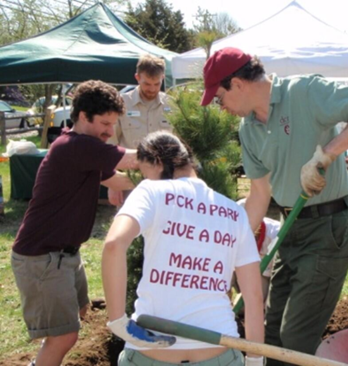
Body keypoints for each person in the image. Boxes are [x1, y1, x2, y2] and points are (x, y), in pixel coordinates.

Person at [200, 47, 348, 360]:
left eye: (219, 98)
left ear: (236, 84)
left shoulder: (303, 92)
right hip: (288, 231)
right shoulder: (248, 130)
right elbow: (259, 197)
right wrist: (230, 250)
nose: (222, 108)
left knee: (295, 338)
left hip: (329, 229)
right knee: (272, 332)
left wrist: (327, 154)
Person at [102, 131, 265, 366]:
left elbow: (114, 244)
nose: (143, 178)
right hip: (217, 354)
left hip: (150, 356)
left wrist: (118, 321)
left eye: (143, 171)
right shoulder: (234, 212)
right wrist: (255, 359)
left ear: (157, 161)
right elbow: (253, 296)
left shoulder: (151, 191)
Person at [11, 80, 140, 366]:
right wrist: (175, 160)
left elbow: (116, 178)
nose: (110, 131)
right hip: (42, 257)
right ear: (83, 116)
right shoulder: (77, 145)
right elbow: (134, 161)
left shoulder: (86, 148)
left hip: (65, 254)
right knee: (64, 337)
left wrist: (152, 183)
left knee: (81, 310)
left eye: (113, 124)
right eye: (105, 123)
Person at [108, 54, 173, 206]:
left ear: (162, 77)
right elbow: (111, 144)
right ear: (137, 77)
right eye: (147, 84)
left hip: (164, 182)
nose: (152, 89)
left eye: (157, 84)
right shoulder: (122, 103)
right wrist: (113, 182)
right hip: (129, 181)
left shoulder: (172, 105)